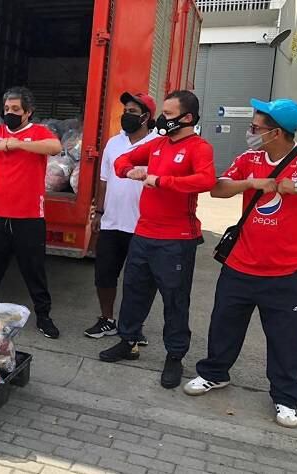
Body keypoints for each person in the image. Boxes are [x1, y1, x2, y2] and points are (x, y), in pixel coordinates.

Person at [184, 98, 297, 428]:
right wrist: (252, 183)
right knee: (224, 325)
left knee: (286, 338)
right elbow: (218, 189)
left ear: (276, 133)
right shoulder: (248, 159)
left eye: (256, 127)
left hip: (289, 272)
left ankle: (286, 397)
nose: (251, 132)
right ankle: (214, 373)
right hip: (240, 265)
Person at [98, 90, 216, 390]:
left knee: (175, 299)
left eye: (169, 114)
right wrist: (130, 170)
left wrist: (160, 180)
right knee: (134, 291)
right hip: (144, 233)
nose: (163, 119)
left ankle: (175, 356)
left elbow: (206, 180)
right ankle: (128, 341)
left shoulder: (198, 147)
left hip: (176, 239)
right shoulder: (158, 144)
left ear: (187, 118)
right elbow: (122, 160)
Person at [0, 87, 64, 338]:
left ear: (28, 112)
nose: (10, 113)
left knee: (34, 271)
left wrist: (19, 145)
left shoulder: (38, 132)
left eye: (16, 109)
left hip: (29, 218)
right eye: (7, 109)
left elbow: (55, 147)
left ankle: (43, 316)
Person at [84, 92, 157, 344]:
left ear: (146, 117)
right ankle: (107, 319)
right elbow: (104, 179)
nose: (127, 116)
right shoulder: (114, 143)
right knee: (104, 275)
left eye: (133, 112)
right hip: (112, 222)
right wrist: (99, 212)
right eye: (125, 111)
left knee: (139, 282)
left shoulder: (159, 145)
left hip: (143, 225)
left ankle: (134, 327)